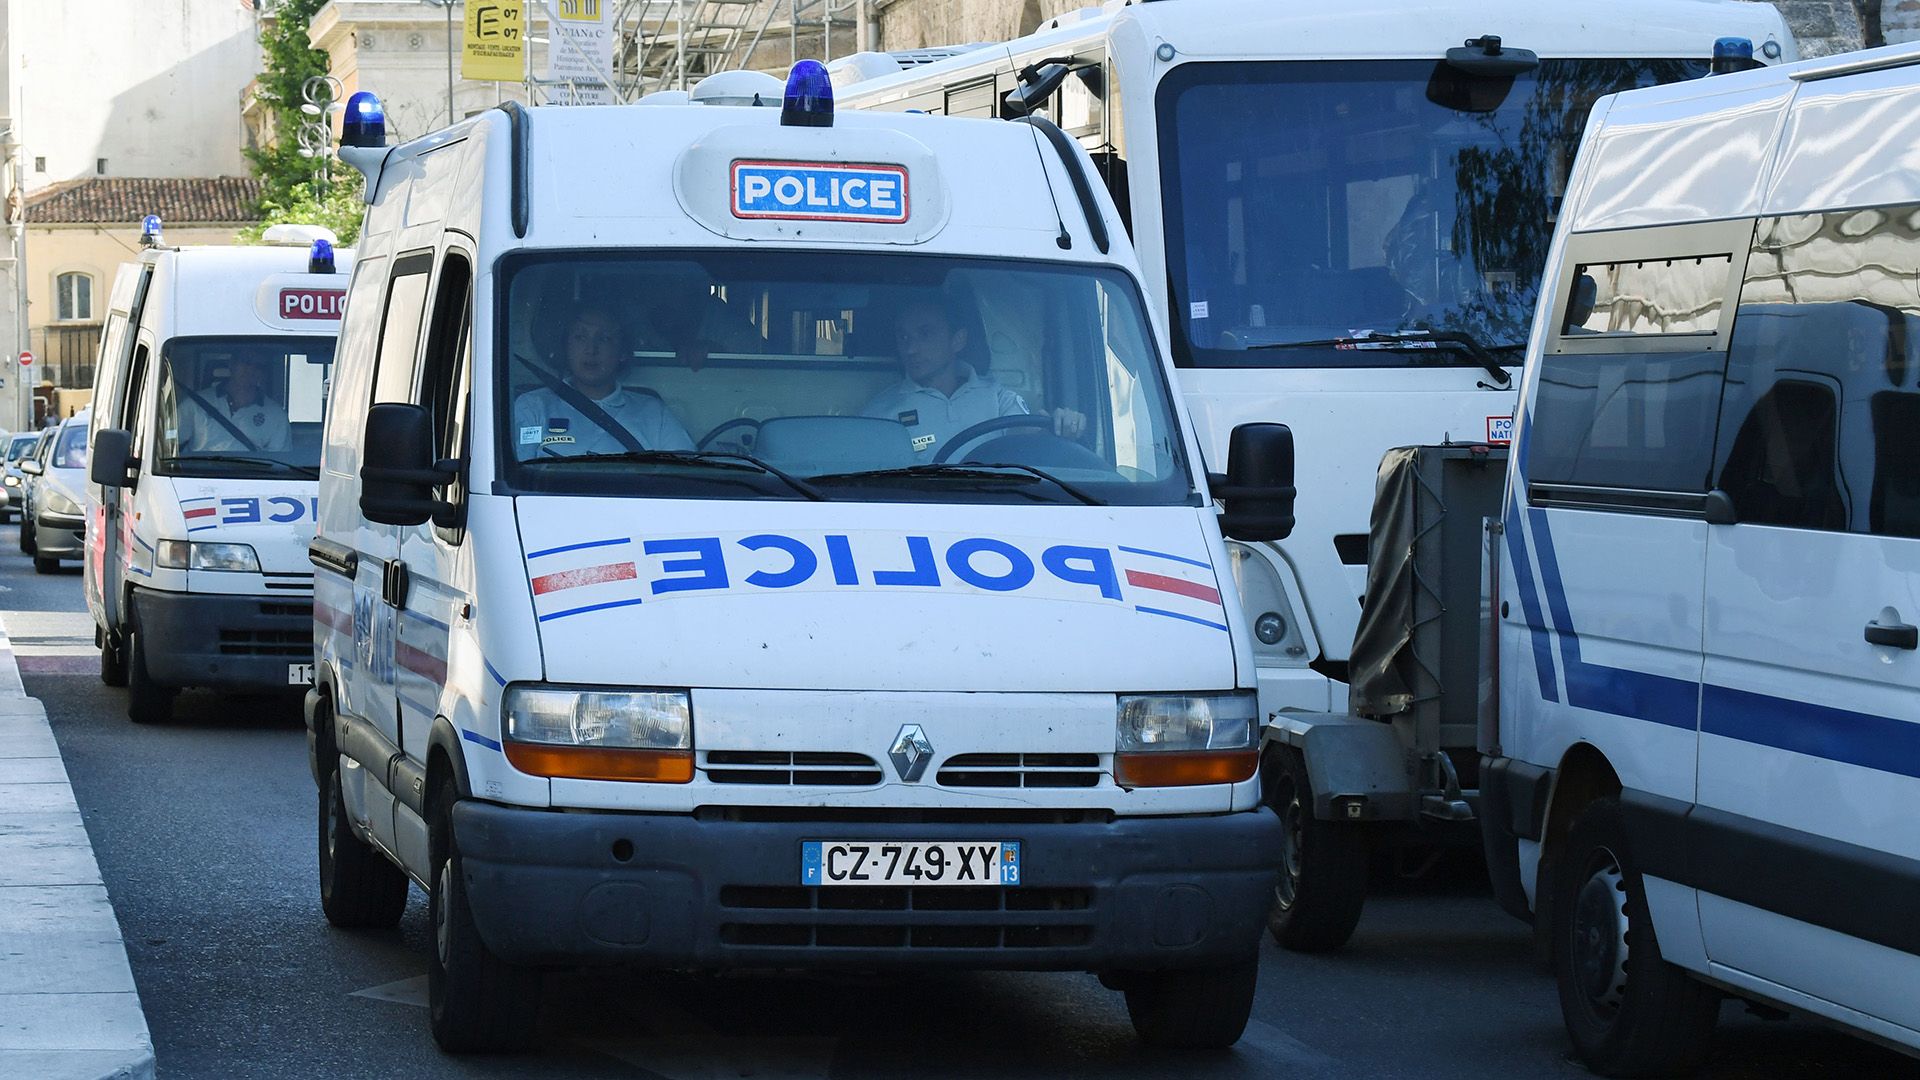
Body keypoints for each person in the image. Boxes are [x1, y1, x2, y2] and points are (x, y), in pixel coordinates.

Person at [862, 295, 1084, 459]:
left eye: (925, 334)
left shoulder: (998, 398)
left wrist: (1062, 427)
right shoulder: (882, 411)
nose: (910, 349)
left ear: (958, 340)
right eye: (904, 337)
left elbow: (1031, 444)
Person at [514, 303, 695, 460]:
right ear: (566, 346)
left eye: (605, 338)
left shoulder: (654, 413)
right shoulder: (534, 407)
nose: (591, 349)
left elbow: (684, 474)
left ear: (623, 352)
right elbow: (520, 474)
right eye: (580, 337)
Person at [177, 354, 290, 453]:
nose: (250, 369)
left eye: (258, 366)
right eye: (246, 362)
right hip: (195, 475)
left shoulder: (277, 415)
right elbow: (167, 444)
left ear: (264, 373)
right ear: (231, 364)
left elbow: (278, 464)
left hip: (253, 476)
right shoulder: (196, 404)